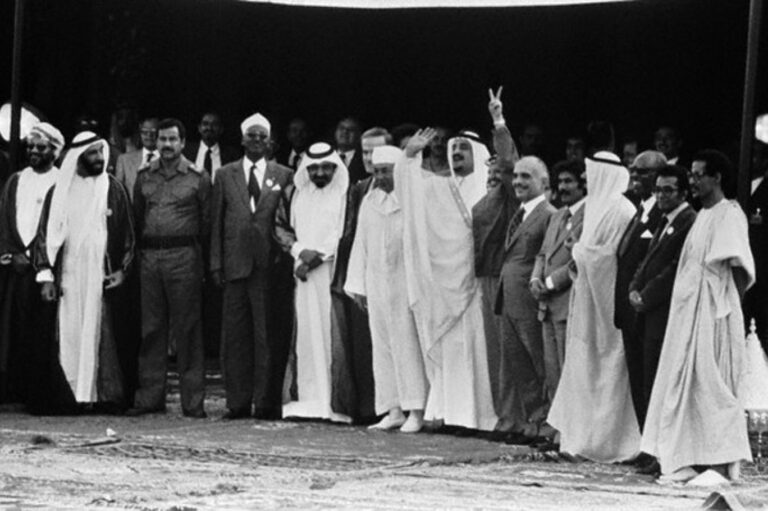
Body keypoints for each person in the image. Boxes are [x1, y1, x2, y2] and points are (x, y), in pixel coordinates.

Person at [641, 150, 754, 483]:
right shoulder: (703, 215)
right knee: (685, 385)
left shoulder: (729, 214)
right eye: (691, 174)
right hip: (687, 315)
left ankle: (719, 464)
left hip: (713, 315)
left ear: (716, 177)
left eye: (698, 174)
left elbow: (738, 270)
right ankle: (688, 457)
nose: (692, 180)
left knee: (713, 386)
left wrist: (723, 314)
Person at [396, 127, 497, 432]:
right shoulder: (440, 187)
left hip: (479, 287)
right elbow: (408, 195)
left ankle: (481, 418)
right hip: (446, 286)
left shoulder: (490, 190)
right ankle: (450, 414)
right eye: (453, 148)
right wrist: (408, 157)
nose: (456, 153)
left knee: (479, 350)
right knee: (451, 350)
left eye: (464, 148)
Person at [547, 152, 640, 463]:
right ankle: (580, 440)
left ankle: (608, 443)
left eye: (590, 174)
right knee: (583, 372)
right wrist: (579, 252)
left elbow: (610, 259)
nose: (586, 180)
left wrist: (579, 251)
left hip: (607, 310)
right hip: (586, 306)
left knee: (609, 372)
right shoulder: (597, 207)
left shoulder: (622, 209)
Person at [34, 131, 134, 414]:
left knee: (98, 331)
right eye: (92, 153)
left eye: (101, 152)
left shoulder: (113, 189)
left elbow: (128, 236)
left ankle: (99, 395)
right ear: (78, 157)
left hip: (100, 274)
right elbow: (44, 236)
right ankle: (69, 396)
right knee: (68, 332)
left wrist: (123, 271)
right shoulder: (59, 191)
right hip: (67, 274)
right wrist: (45, 275)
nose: (99, 158)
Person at [210, 113, 294, 420]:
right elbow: (216, 222)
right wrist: (216, 263)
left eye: (262, 136)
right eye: (252, 135)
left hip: (269, 267)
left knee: (265, 336)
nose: (257, 140)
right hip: (234, 266)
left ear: (269, 142)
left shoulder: (284, 175)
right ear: (242, 139)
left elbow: (287, 220)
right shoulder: (225, 174)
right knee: (235, 337)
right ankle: (238, 402)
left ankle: (265, 402)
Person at [128, 118, 211, 419]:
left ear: (182, 142)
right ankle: (150, 397)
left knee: (188, 329)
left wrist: (201, 262)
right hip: (151, 258)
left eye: (172, 139)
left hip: (184, 257)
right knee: (151, 329)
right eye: (162, 139)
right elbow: (138, 217)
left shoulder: (198, 177)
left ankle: (193, 402)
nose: (166, 145)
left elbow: (207, 222)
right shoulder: (144, 176)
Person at [345, 145, 428, 433]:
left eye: (387, 171)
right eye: (377, 171)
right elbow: (361, 243)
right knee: (382, 348)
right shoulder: (370, 200)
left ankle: (416, 409)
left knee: (408, 346)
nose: (380, 177)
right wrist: (358, 285)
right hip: (377, 283)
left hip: (406, 284)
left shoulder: (411, 199)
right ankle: (393, 409)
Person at [275, 142, 352, 423]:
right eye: (314, 168)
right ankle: (306, 401)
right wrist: (299, 252)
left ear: (335, 168)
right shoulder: (293, 193)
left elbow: (346, 232)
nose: (319, 173)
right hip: (302, 275)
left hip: (332, 274)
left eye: (326, 168)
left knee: (331, 336)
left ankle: (333, 404)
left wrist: (317, 258)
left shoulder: (345, 195)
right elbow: (280, 226)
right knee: (305, 338)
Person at [628, 165, 696, 453]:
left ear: (683, 192)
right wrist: (634, 287)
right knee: (647, 382)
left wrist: (645, 296)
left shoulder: (688, 221)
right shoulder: (665, 220)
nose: (661, 195)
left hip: (665, 312)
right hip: (648, 313)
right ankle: (649, 448)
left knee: (660, 384)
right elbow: (647, 262)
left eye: (668, 190)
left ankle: (660, 451)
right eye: (657, 190)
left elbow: (674, 268)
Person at [0, 123, 64, 406]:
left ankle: (37, 393)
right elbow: (5, 220)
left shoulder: (62, 182)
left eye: (41, 147)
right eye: (31, 146)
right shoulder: (16, 180)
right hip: (16, 266)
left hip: (47, 268)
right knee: (13, 327)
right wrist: (13, 253)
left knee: (42, 331)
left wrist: (40, 259)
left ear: (55, 151)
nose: (34, 151)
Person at [331, 127, 391, 423]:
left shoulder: (402, 187)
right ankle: (369, 409)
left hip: (394, 279)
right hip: (364, 277)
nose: (368, 158)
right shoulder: (359, 188)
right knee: (364, 347)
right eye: (365, 152)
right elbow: (350, 235)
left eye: (375, 152)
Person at [495, 154, 556, 443]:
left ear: (543, 183)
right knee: (520, 364)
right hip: (509, 299)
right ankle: (533, 420)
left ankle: (549, 424)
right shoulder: (519, 213)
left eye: (526, 177)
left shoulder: (549, 215)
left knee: (540, 362)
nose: (518, 181)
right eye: (516, 175)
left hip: (531, 301)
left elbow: (547, 257)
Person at [473, 88, 520, 426]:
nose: (493, 177)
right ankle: (504, 417)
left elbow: (509, 161)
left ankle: (520, 419)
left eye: (497, 174)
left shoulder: (508, 196)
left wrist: (499, 121)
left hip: (505, 277)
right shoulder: (479, 199)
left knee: (511, 352)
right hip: (485, 279)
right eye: (488, 173)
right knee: (494, 353)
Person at [615, 150, 666, 425]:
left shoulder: (661, 214)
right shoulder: (641, 210)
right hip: (629, 313)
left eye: (643, 171)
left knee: (650, 382)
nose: (634, 175)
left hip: (646, 312)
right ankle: (645, 440)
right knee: (637, 382)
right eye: (633, 170)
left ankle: (652, 442)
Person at [530, 159, 586, 404]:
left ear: (582, 184)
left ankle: (570, 423)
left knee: (569, 368)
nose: (562, 187)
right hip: (547, 306)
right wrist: (535, 279)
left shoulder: (590, 215)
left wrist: (551, 283)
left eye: (568, 182)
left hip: (568, 302)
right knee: (552, 369)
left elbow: (580, 258)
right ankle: (555, 422)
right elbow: (543, 253)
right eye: (560, 182)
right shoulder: (558, 215)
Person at [183, 112, 240, 181]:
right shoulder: (185, 152)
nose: (209, 128)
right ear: (199, 128)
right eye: (205, 124)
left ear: (221, 129)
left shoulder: (232, 155)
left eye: (214, 124)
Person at [115, 118, 159, 202]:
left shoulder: (170, 160)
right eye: (145, 132)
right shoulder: (124, 160)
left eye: (153, 132)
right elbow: (117, 194)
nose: (149, 135)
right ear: (140, 133)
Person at [334, 117, 365, 183]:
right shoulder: (324, 156)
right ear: (335, 132)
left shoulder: (364, 161)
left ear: (359, 135)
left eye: (351, 130)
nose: (345, 132)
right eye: (341, 128)